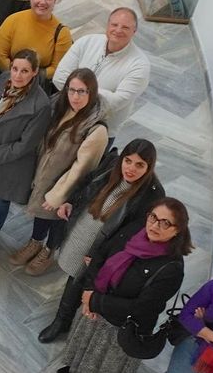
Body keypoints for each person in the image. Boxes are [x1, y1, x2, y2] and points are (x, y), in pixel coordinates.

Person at [57, 197, 191, 373]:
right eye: (153, 217)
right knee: (86, 345)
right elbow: (100, 256)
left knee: (108, 365)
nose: (155, 225)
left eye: (165, 223)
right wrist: (89, 292)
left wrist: (94, 301)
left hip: (123, 324)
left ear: (177, 231)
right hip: (98, 305)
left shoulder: (171, 268)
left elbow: (142, 307)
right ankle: (77, 369)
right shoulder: (135, 232)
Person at [38, 139, 165, 343]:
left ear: (149, 167)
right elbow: (87, 182)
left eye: (140, 165)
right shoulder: (111, 165)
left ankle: (62, 321)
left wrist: (103, 255)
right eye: (128, 161)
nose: (131, 168)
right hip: (83, 229)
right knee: (74, 273)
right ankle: (65, 318)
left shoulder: (152, 195)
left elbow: (131, 234)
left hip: (103, 245)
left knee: (80, 278)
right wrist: (70, 201)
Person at [14, 68, 108, 275]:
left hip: (64, 187)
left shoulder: (96, 129)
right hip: (45, 176)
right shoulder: (60, 108)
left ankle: (48, 251)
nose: (75, 97)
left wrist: (59, 195)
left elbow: (81, 169)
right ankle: (36, 242)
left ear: (91, 93)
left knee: (56, 218)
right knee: (41, 213)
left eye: (82, 91)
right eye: (71, 90)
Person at [0, 51, 54, 253]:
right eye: (15, 69)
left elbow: (25, 144)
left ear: (34, 73)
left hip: (10, 163)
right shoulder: (3, 80)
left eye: (25, 71)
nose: (18, 75)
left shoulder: (40, 105)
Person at [51, 8, 151, 133]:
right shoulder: (86, 42)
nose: (118, 30)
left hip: (97, 129)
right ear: (107, 25)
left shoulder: (139, 65)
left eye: (125, 27)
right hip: (63, 116)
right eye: (114, 25)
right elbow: (59, 78)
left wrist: (76, 90)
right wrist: (98, 93)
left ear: (134, 31)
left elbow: (117, 102)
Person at [0, 0, 74, 83]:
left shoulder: (62, 33)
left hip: (38, 83)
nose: (42, 2)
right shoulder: (13, 20)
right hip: (6, 76)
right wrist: (17, 75)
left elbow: (57, 67)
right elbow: (0, 55)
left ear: (55, 1)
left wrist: (30, 77)